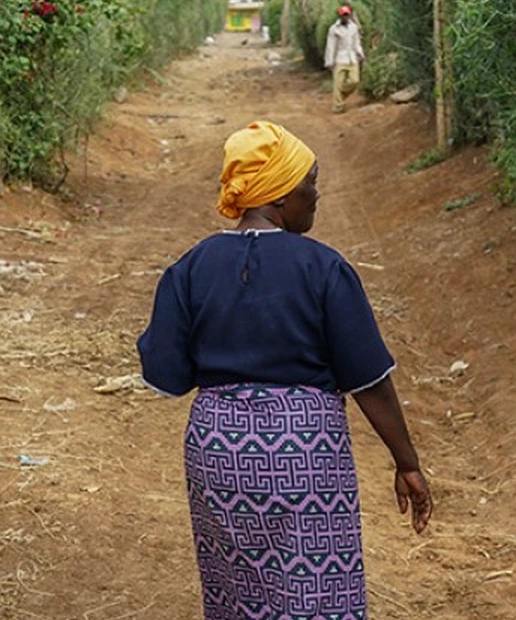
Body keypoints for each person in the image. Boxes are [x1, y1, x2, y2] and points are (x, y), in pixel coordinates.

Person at [139, 121, 432, 619]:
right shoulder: (324, 268)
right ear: (279, 195)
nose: (316, 195)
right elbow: (369, 381)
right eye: (310, 183)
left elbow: (165, 373)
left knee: (238, 593)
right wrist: (407, 462)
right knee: (315, 594)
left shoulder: (191, 267)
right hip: (304, 451)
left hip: (219, 452)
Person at [324, 5, 365, 113]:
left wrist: (360, 53)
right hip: (340, 59)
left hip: (352, 58)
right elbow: (330, 46)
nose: (345, 17)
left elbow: (356, 42)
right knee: (338, 83)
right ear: (340, 16)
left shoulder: (353, 27)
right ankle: (338, 107)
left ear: (350, 15)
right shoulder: (334, 29)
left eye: (347, 15)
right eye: (343, 15)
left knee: (354, 81)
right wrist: (329, 61)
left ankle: (340, 95)